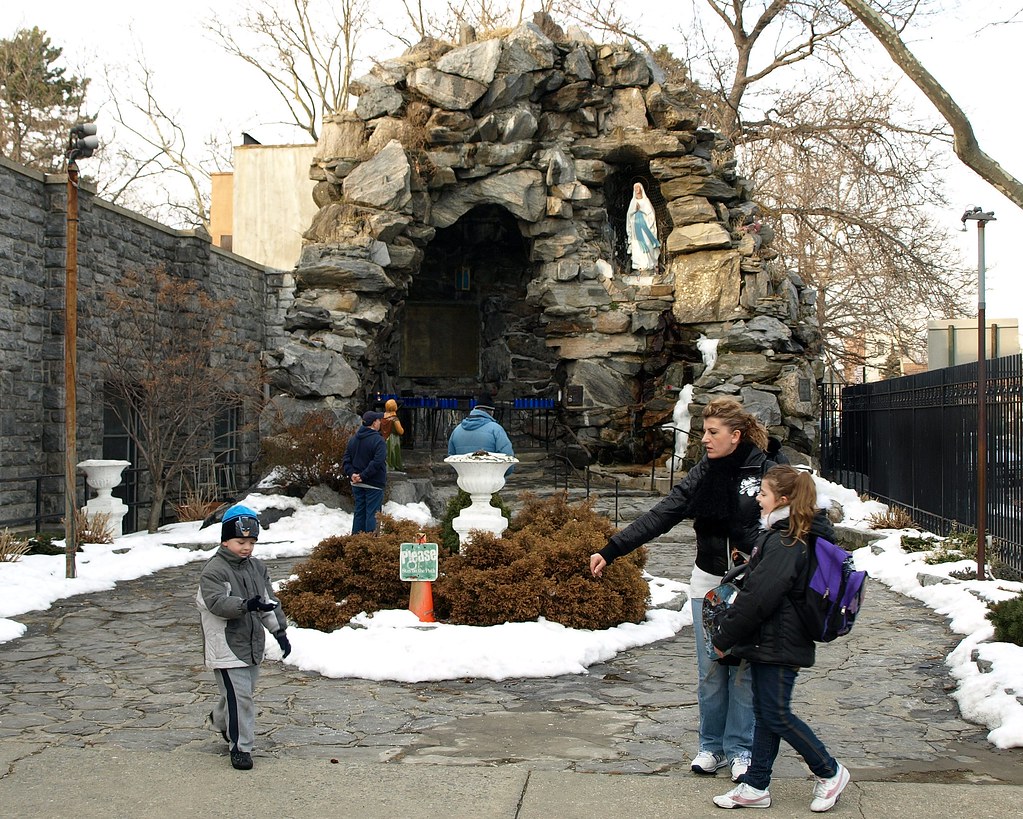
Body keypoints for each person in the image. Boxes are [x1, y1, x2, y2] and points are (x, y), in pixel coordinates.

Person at [590, 396, 772, 783]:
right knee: (711, 669)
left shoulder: (767, 470)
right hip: (707, 583)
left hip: (751, 585)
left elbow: (789, 521)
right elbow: (663, 514)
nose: (704, 439)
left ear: (735, 436)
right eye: (703, 431)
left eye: (712, 432)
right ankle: (711, 747)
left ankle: (740, 749)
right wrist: (613, 549)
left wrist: (752, 542)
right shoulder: (702, 474)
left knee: (742, 670)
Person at [711, 465, 850, 812]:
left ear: (783, 500)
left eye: (764, 494)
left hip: (780, 641)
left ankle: (829, 771)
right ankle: (755, 785)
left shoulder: (786, 540)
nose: (758, 499)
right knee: (767, 712)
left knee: (777, 715)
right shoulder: (786, 535)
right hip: (773, 640)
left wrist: (725, 635)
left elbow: (759, 596)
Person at [196, 504, 291, 771]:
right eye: (240, 541)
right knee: (242, 699)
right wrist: (245, 605)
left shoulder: (256, 568)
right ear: (225, 540)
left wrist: (279, 632)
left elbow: (267, 601)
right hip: (226, 646)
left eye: (252, 541)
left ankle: (219, 718)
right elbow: (217, 603)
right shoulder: (214, 571)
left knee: (240, 695)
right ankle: (241, 747)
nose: (247, 547)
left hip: (251, 644)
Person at [343, 410, 388, 535]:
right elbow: (378, 461)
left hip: (356, 483)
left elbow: (346, 460)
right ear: (374, 423)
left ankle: (355, 543)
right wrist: (363, 476)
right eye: (379, 420)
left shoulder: (353, 439)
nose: (380, 422)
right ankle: (370, 544)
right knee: (373, 514)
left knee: (359, 513)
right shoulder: (378, 440)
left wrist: (352, 474)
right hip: (373, 483)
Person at [447, 393, 515, 473]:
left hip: (465, 481)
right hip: (491, 480)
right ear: (491, 412)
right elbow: (508, 461)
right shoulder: (496, 430)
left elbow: (452, 459)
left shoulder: (456, 430)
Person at [625, 181, 660, 271]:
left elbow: (651, 213)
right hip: (635, 227)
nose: (637, 190)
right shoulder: (633, 202)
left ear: (641, 189)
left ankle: (649, 263)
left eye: (638, 188)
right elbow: (629, 215)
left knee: (647, 243)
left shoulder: (646, 201)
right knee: (637, 245)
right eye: (635, 188)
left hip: (645, 226)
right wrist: (634, 210)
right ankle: (639, 264)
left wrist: (642, 210)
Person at [380, 398, 405, 472]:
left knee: (386, 452)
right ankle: (393, 465)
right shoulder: (394, 419)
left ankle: (387, 466)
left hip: (384, 437)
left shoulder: (383, 417)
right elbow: (401, 431)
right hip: (393, 438)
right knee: (393, 452)